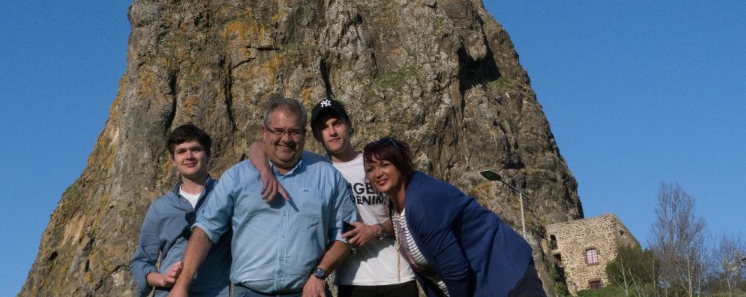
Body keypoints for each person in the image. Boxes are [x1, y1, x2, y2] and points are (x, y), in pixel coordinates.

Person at [171, 97, 359, 297]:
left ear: (304, 134)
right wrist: (182, 285)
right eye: (278, 131)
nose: (286, 139)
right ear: (264, 132)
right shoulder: (237, 177)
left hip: (307, 292)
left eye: (294, 132)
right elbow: (206, 229)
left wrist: (320, 273)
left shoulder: (328, 176)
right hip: (249, 292)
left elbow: (345, 232)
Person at [250, 99, 418, 297]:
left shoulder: (375, 164)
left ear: (350, 125)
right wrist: (265, 172)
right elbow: (259, 146)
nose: (332, 132)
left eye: (337, 123)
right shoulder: (315, 167)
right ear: (316, 135)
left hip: (397, 276)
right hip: (351, 280)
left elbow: (408, 214)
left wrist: (375, 230)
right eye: (324, 127)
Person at [362, 137, 547, 297]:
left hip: (506, 274)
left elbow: (456, 271)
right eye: (370, 169)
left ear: (401, 165)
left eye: (385, 165)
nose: (378, 174)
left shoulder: (421, 201)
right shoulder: (397, 207)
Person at [130, 124, 231, 296]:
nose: (189, 156)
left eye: (195, 149)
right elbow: (141, 261)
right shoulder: (160, 208)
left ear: (208, 155)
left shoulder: (226, 195)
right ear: (173, 160)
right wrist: (161, 279)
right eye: (181, 151)